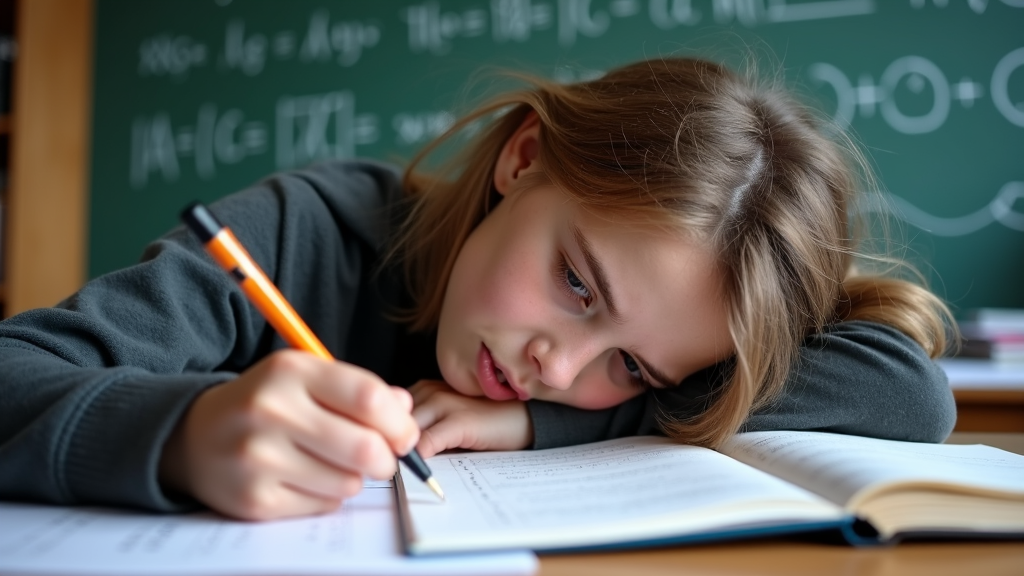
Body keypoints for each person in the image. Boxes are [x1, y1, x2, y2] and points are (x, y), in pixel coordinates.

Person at [0, 57, 956, 522]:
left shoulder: (567, 391)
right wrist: (183, 435)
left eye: (631, 364)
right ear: (524, 157)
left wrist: (553, 428)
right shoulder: (302, 234)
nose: (557, 366)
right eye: (577, 284)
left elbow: (905, 389)